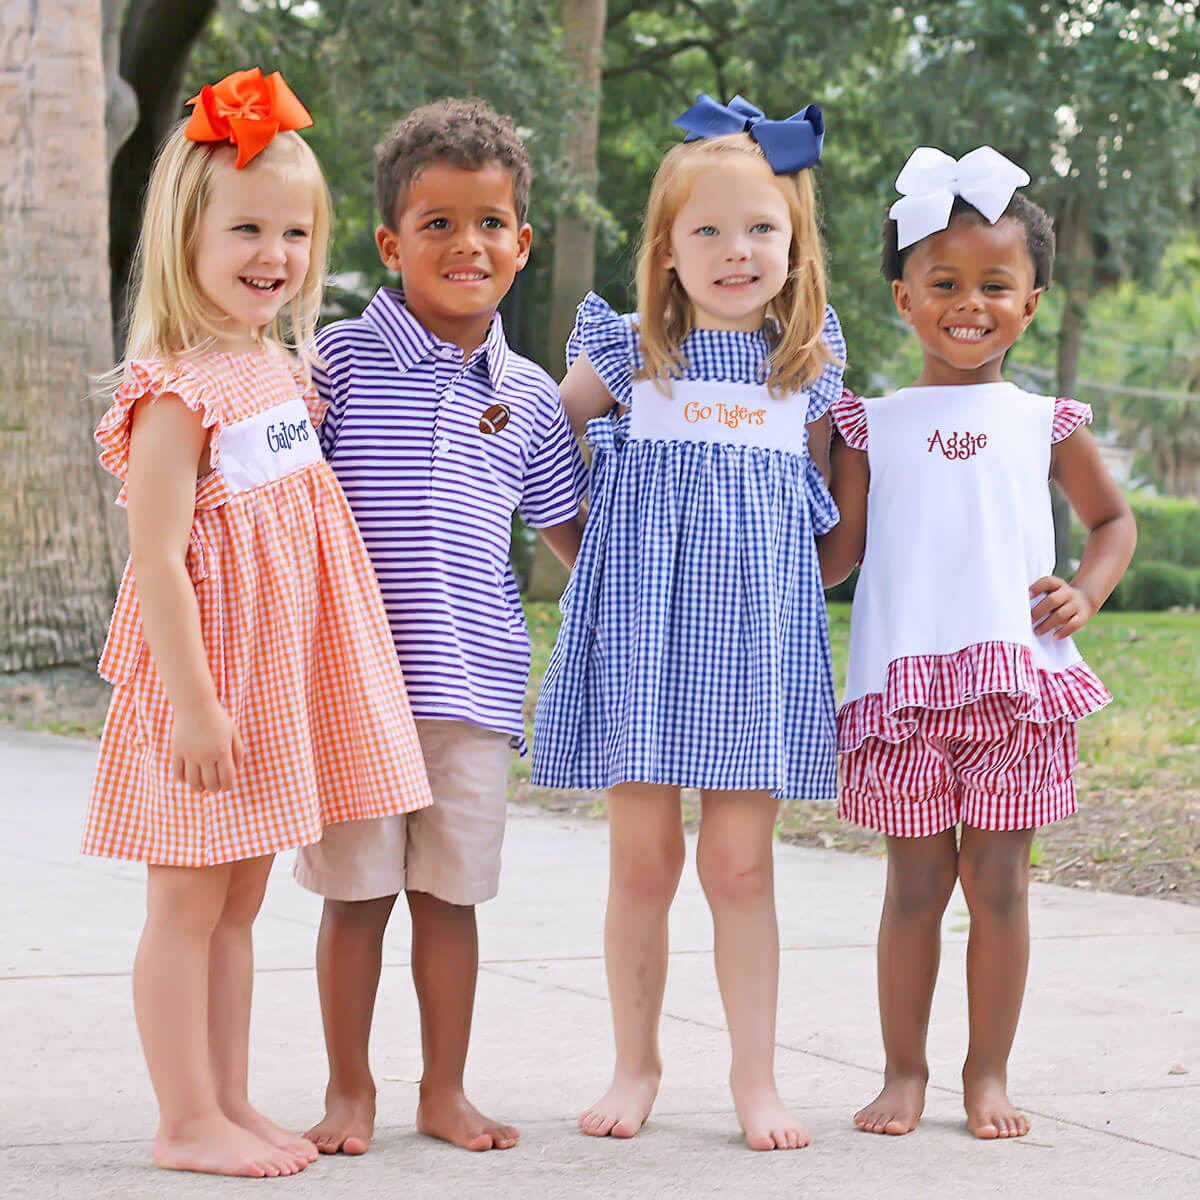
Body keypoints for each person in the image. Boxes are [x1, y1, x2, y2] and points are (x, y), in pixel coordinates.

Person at [81, 69, 433, 1178]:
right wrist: (193, 705)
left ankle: (227, 1099)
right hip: (203, 686)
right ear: (185, 234)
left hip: (268, 679)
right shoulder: (174, 391)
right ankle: (184, 1120)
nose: (273, 254)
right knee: (187, 905)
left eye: (294, 232)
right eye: (246, 229)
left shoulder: (278, 368)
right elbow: (157, 559)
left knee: (238, 904)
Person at [532, 94, 845, 1151]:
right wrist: (587, 559)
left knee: (741, 868)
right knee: (644, 862)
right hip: (643, 644)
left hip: (754, 649)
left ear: (795, 245)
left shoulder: (807, 365)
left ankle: (756, 1077)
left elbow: (828, 507)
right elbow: (540, 446)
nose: (735, 250)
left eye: (760, 228)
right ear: (666, 249)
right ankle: (636, 1064)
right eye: (706, 230)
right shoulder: (629, 352)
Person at [819, 146, 1136, 1140]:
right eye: (944, 282)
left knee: (998, 886)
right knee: (914, 888)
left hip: (1017, 687)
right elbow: (838, 557)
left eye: (995, 285)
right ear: (903, 298)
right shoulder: (868, 425)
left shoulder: (1046, 422)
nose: (970, 304)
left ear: (1031, 304)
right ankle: (903, 1071)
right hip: (902, 690)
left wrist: (1086, 591)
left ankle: (987, 1075)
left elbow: (1112, 522)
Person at [293, 98, 587, 1155]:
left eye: (491, 223)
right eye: (439, 224)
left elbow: (573, 540)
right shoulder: (333, 364)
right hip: (354, 692)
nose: (469, 244)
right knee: (356, 899)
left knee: (449, 900)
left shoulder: (531, 396)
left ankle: (446, 1092)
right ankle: (348, 1093)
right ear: (391, 244)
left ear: (523, 242)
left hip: (474, 692)